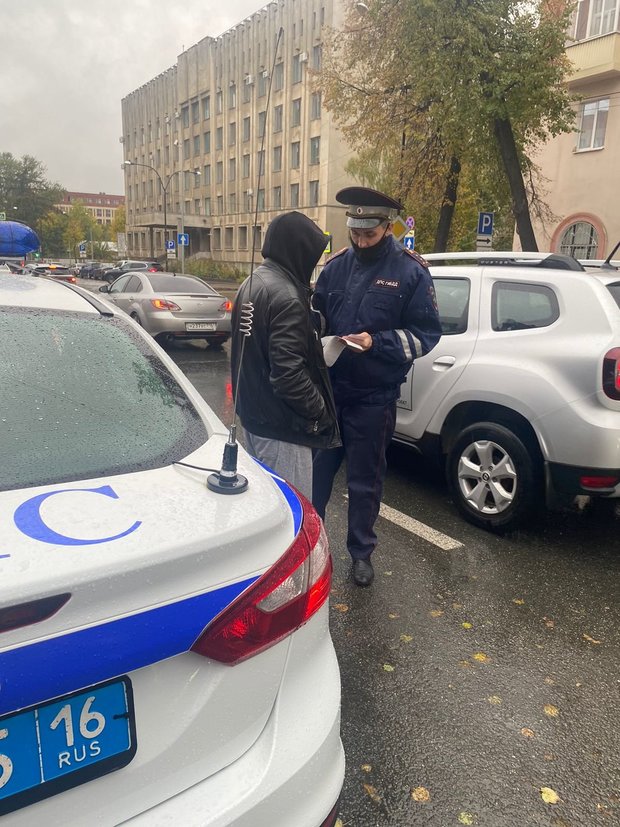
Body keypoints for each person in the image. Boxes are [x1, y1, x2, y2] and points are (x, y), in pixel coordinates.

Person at [312, 187, 442, 586]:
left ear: (388, 227)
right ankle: (307, 546)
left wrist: (377, 343)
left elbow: (425, 335)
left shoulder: (410, 271)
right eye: (355, 232)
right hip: (331, 393)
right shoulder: (336, 266)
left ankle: (361, 554)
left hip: (374, 397)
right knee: (315, 477)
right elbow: (318, 315)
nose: (361, 240)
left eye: (369, 233)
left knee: (365, 482)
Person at [230, 211, 340, 500]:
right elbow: (288, 375)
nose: (313, 263)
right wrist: (320, 411)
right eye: (312, 254)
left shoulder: (252, 282)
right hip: (282, 428)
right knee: (292, 508)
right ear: (299, 250)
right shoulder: (288, 296)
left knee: (266, 502)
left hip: (255, 418)